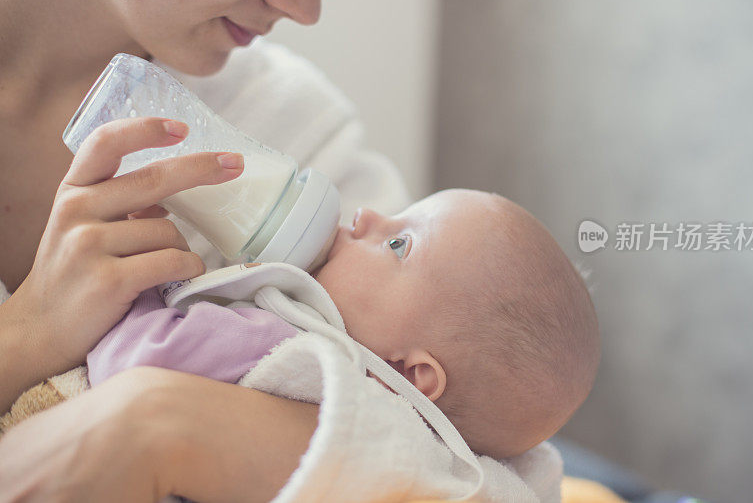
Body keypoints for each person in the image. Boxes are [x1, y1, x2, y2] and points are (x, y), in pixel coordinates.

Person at [0, 0, 412, 500]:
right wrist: (29, 333)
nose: (304, 7)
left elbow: (469, 443)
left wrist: (159, 421)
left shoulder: (292, 124)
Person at [4, 188, 599, 464]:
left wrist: (137, 287)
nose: (368, 213)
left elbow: (126, 368)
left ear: (411, 372)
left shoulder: (291, 354)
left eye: (399, 242)